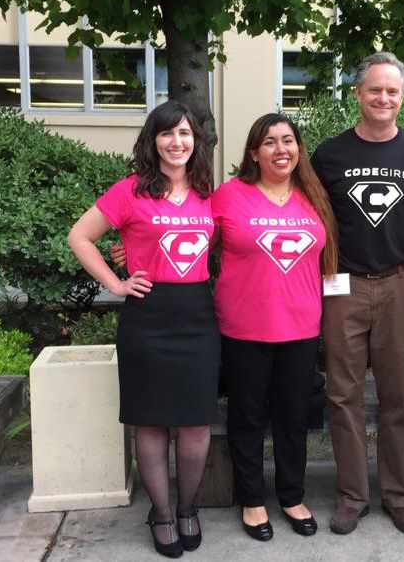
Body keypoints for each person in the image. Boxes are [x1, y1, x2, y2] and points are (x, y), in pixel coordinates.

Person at [67, 100, 219, 559]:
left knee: (195, 425)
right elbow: (79, 236)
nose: (178, 142)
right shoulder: (131, 190)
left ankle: (188, 506)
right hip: (148, 315)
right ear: (153, 141)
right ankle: (161, 511)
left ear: (196, 142)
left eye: (186, 133)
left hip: (197, 315)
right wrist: (116, 282)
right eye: (168, 133)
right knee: (150, 422)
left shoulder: (210, 192)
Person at [309, 52, 404, 535]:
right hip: (342, 285)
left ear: (402, 98)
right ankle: (351, 496)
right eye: (375, 89)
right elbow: (307, 220)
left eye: (393, 91)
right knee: (342, 394)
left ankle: (398, 495)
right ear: (358, 94)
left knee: (397, 395)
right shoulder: (330, 155)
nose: (383, 98)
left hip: (399, 283)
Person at [210, 114, 338, 541]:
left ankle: (291, 497)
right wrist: (135, 252)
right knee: (247, 418)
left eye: (288, 140)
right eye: (269, 142)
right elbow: (187, 236)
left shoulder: (313, 195)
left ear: (298, 149)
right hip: (244, 328)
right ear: (253, 153)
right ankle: (252, 500)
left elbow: (334, 254)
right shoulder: (229, 196)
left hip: (301, 328)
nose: (280, 149)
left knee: (293, 418)